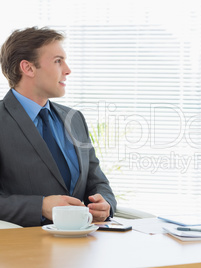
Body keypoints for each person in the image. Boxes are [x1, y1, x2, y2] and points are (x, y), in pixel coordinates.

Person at [0, 27, 117, 227]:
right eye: (57, 61)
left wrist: (105, 203)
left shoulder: (74, 118)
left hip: (81, 245)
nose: (68, 70)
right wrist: (41, 206)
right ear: (28, 68)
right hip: (22, 249)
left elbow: (97, 181)